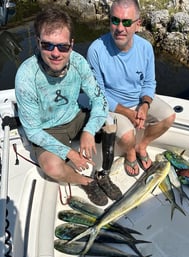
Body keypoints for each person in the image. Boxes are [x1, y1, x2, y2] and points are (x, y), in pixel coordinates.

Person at [15, 7, 122, 206]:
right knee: (52, 167)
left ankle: (103, 174)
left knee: (111, 123)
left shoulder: (79, 63)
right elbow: (33, 131)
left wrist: (89, 130)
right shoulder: (26, 76)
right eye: (48, 45)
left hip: (75, 117)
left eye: (63, 47)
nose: (56, 53)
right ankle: (86, 181)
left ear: (71, 45)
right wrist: (69, 153)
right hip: (48, 129)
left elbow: (101, 101)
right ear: (38, 43)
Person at [87, 0, 176, 176]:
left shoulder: (146, 48)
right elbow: (98, 95)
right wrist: (128, 113)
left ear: (138, 24)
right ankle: (129, 153)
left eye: (127, 22)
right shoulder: (96, 50)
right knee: (127, 135)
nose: (120, 27)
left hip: (136, 100)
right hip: (110, 105)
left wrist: (144, 105)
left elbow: (149, 83)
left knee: (169, 117)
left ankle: (141, 146)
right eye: (115, 20)